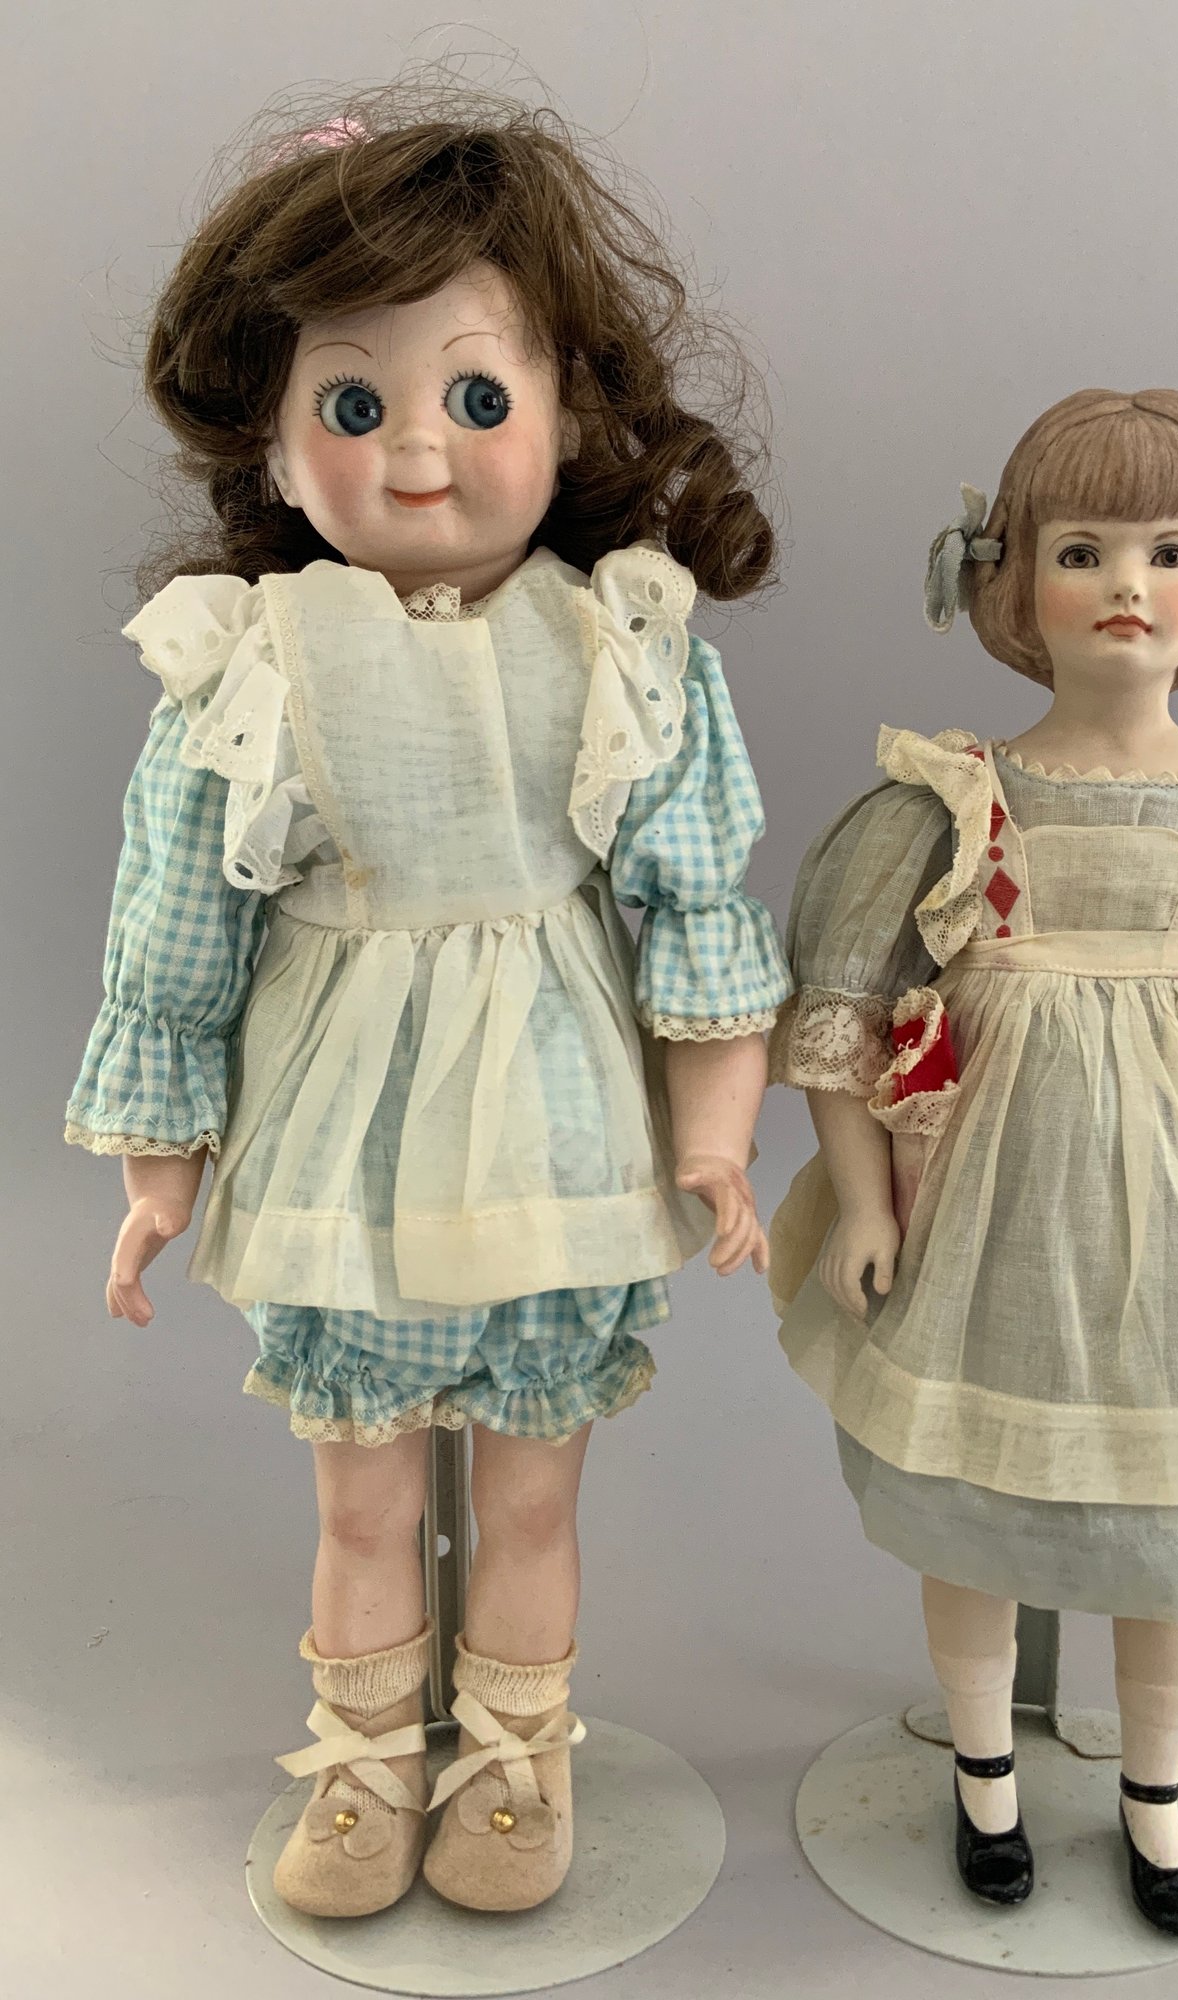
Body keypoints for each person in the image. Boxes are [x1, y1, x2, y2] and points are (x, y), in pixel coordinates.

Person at [65, 86, 789, 1920]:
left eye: (474, 398)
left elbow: (692, 902)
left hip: (554, 1116)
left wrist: (714, 1137)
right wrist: (160, 1165)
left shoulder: (618, 643)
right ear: (271, 432)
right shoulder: (253, 661)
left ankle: (519, 1763)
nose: (411, 455)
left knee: (530, 1495)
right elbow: (176, 929)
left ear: (570, 407)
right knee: (363, 1496)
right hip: (341, 1135)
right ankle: (368, 1761)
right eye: (350, 404)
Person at [769, 389, 1178, 1936]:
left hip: (1177, 1228)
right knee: (969, 1506)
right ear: (1007, 578)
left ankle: (1152, 1796)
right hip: (981, 1213)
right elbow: (844, 1016)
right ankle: (984, 1776)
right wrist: (860, 1198)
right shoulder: (950, 802)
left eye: (1168, 549)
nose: (1127, 584)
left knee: (1162, 1528)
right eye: (1080, 551)